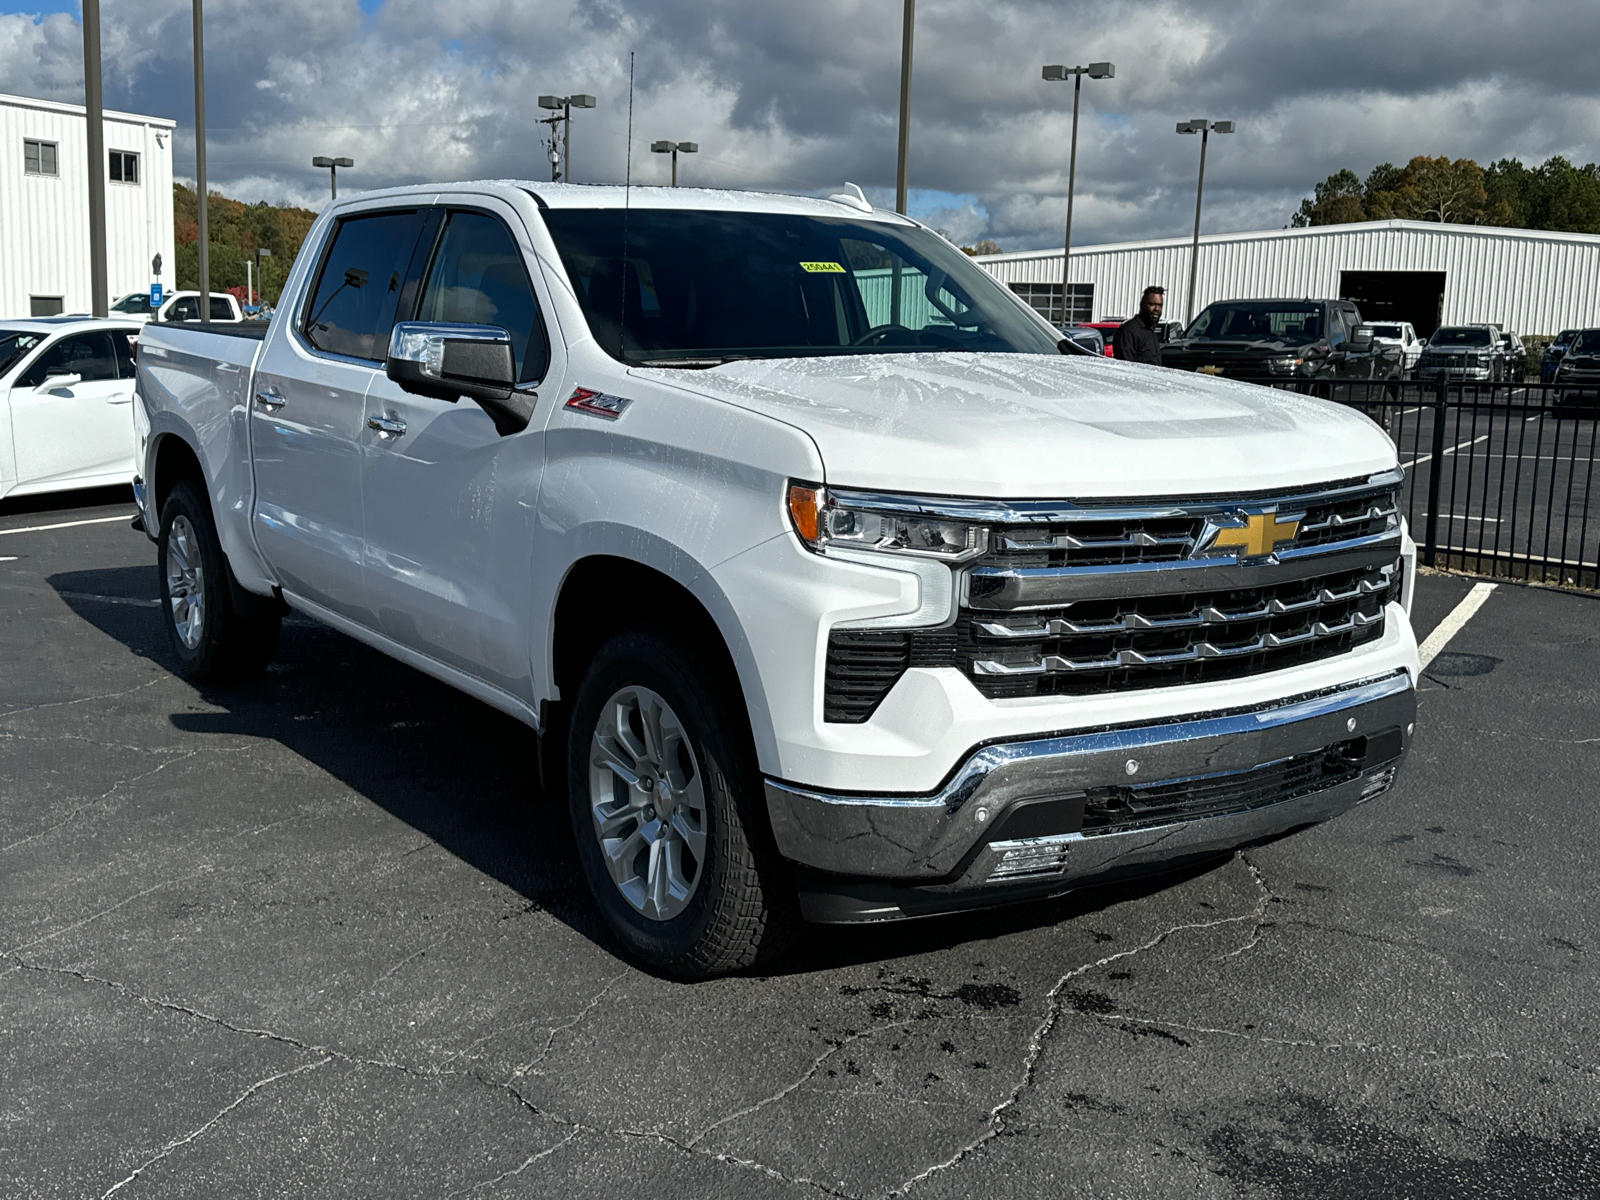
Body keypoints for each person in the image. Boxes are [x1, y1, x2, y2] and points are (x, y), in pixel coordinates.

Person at [1113, 286, 1166, 366]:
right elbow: (1124, 368)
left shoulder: (1150, 332)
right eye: (1152, 304)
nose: (1157, 309)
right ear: (1142, 305)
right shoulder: (1129, 331)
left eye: (1159, 305)